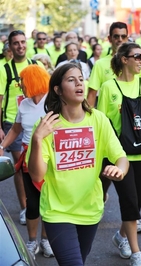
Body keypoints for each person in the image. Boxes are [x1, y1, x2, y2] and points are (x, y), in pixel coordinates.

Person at [26, 63, 129, 266]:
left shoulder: (98, 119)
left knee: (78, 261)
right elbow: (37, 176)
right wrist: (38, 139)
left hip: (90, 210)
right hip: (57, 211)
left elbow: (121, 157)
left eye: (81, 79)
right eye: (71, 80)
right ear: (58, 90)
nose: (79, 83)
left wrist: (120, 170)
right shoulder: (47, 125)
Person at [97, 42, 141, 266]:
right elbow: (102, 123)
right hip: (119, 156)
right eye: (136, 56)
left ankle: (121, 237)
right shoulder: (108, 87)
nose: (140, 61)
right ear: (124, 59)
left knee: (139, 201)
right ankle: (137, 254)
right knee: (129, 201)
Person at [0, 65, 54, 259]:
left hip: (49, 158)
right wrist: (2, 146)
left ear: (32, 81)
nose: (19, 84)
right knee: (32, 204)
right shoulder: (23, 104)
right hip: (28, 158)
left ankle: (46, 241)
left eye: (22, 81)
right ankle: (32, 242)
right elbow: (15, 129)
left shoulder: (53, 102)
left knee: (48, 202)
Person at [0, 30, 45, 225]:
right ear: (10, 46)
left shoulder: (37, 65)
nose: (20, 46)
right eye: (15, 43)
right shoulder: (4, 69)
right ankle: (25, 206)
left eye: (22, 42)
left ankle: (37, 203)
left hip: (38, 121)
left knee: (35, 165)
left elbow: (47, 93)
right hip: (13, 120)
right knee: (20, 164)